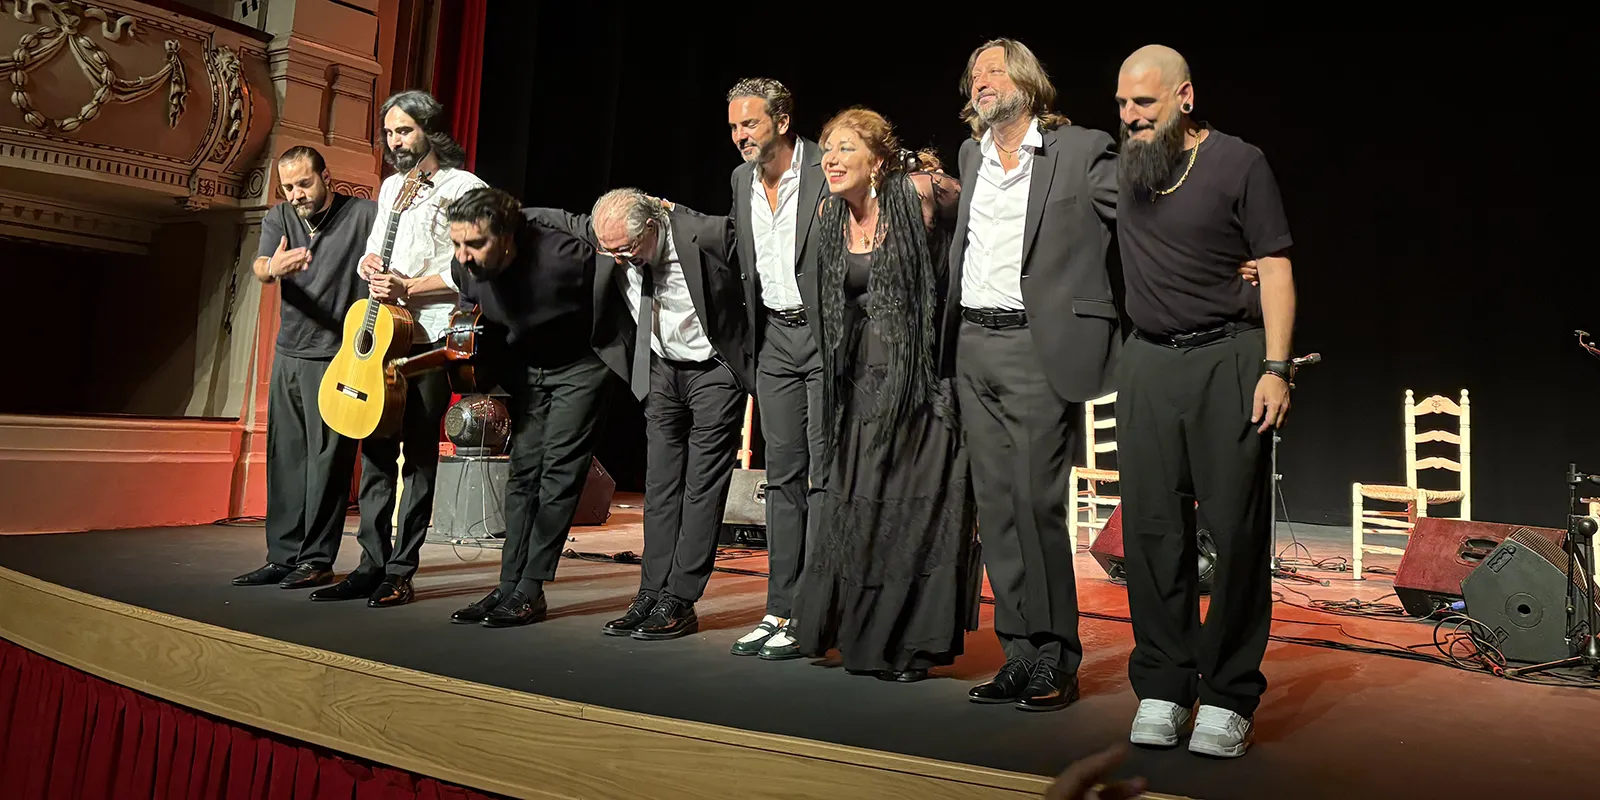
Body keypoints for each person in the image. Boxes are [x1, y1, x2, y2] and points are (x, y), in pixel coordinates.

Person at [1112, 44, 1297, 758]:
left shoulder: (1238, 163)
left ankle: (1227, 694)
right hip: (1149, 362)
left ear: (1183, 97)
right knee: (1154, 532)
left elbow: (1276, 265)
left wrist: (1276, 367)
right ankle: (1162, 684)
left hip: (1229, 358)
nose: (1130, 117)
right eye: (1123, 104)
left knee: (1236, 530)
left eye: (1144, 104)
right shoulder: (1122, 167)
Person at [946, 38, 1119, 712]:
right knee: (995, 509)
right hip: (973, 344)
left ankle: (1056, 657)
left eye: (992, 70)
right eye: (973, 75)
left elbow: (1137, 216)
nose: (980, 81)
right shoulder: (972, 155)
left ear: (1024, 79)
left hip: (1035, 345)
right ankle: (1019, 652)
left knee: (1036, 504)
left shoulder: (1080, 150)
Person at [788, 107, 977, 682]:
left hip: (919, 385)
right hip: (861, 384)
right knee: (863, 514)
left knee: (914, 515)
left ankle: (909, 645)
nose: (832, 158)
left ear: (877, 160)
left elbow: (969, 204)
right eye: (827, 149)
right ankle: (859, 632)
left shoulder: (910, 197)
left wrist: (926, 173)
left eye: (846, 148)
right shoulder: (830, 217)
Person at [311, 90, 488, 607]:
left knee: (418, 452)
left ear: (431, 130)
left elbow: (470, 265)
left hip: (429, 337)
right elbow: (377, 249)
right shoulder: (391, 187)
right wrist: (369, 266)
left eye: (405, 131)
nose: (396, 142)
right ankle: (370, 563)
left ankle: (401, 568)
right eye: (389, 132)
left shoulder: (463, 187)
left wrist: (409, 287)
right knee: (376, 449)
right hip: (382, 332)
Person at [434, 188, 627, 627]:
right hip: (529, 370)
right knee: (523, 473)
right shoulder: (462, 266)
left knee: (558, 474)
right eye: (457, 243)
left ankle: (532, 588)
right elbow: (472, 310)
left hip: (581, 366)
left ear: (507, 236)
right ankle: (507, 584)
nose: (463, 255)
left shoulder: (563, 255)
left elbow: (617, 269)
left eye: (475, 244)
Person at [575, 188, 752, 641]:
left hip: (714, 370)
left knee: (701, 488)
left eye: (628, 249)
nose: (618, 260)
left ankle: (680, 599)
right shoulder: (612, 245)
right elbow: (550, 219)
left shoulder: (701, 235)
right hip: (659, 369)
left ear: (653, 226)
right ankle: (650, 591)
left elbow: (747, 240)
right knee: (660, 484)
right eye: (609, 251)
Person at [233, 146, 379, 590]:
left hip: (338, 357)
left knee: (327, 462)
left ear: (325, 177)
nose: (297, 194)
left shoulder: (363, 216)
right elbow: (260, 266)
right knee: (286, 458)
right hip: (290, 352)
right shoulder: (281, 217)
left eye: (304, 184)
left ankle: (315, 559)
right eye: (289, 186)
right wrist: (273, 266)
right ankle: (281, 556)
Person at [724, 78, 829, 660]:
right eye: (735, 126)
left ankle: (814, 611)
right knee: (782, 478)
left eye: (751, 125)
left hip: (824, 336)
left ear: (782, 121)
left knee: (822, 476)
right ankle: (779, 608)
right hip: (775, 339)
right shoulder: (741, 180)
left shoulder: (823, 168)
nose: (740, 136)